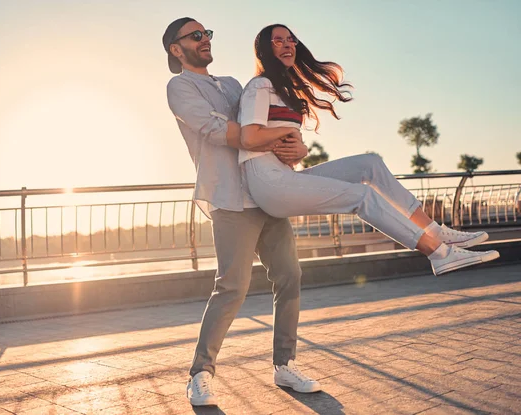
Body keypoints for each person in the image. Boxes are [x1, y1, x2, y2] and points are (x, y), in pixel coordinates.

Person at [238, 24, 499, 277]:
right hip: (267, 183)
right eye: (278, 40)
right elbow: (249, 138)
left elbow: (285, 147)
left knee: (370, 163)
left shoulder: (284, 90)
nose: (287, 45)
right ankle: (439, 254)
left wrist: (301, 148)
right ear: (264, 49)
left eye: (291, 39)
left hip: (284, 177)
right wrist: (288, 134)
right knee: (362, 196)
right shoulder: (259, 86)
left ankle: (432, 229)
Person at [163, 18, 322, 407]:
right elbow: (220, 130)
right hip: (230, 198)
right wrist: (267, 136)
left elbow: (268, 121)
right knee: (232, 287)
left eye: (207, 34)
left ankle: (285, 365)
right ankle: (200, 374)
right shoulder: (180, 87)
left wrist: (298, 146)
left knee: (290, 276)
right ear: (176, 49)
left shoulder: (235, 84)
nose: (205, 40)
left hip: (266, 191)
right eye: (196, 36)